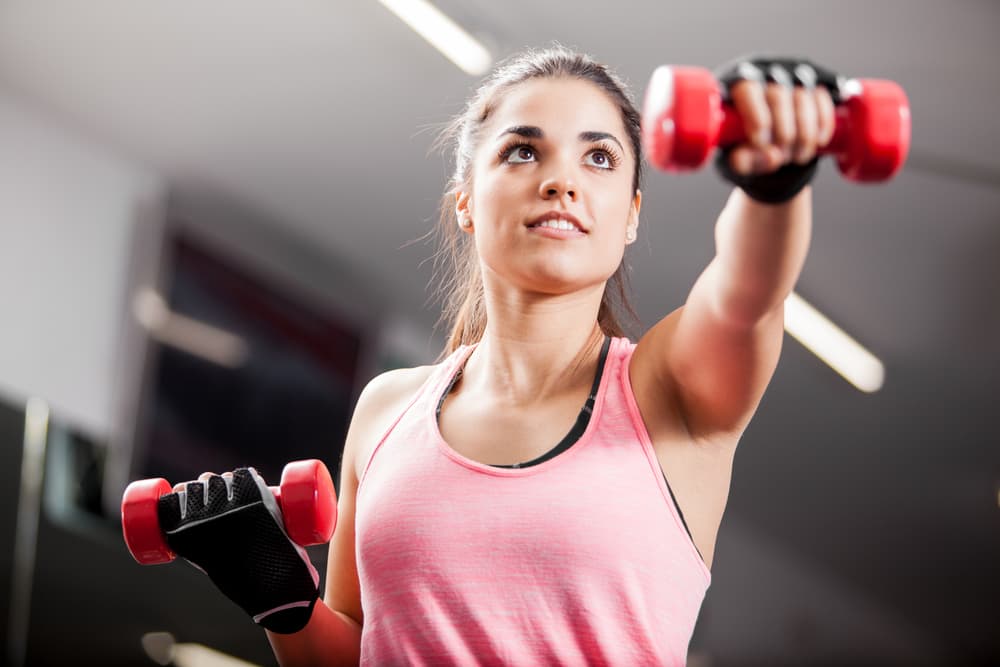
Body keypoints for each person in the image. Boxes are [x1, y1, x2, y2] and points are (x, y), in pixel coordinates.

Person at [156, 47, 839, 666]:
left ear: (630, 215)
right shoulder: (388, 410)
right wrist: (283, 598)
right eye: (521, 152)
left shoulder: (670, 390)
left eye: (598, 157)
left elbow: (749, 291)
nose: (560, 181)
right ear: (465, 202)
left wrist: (772, 183)